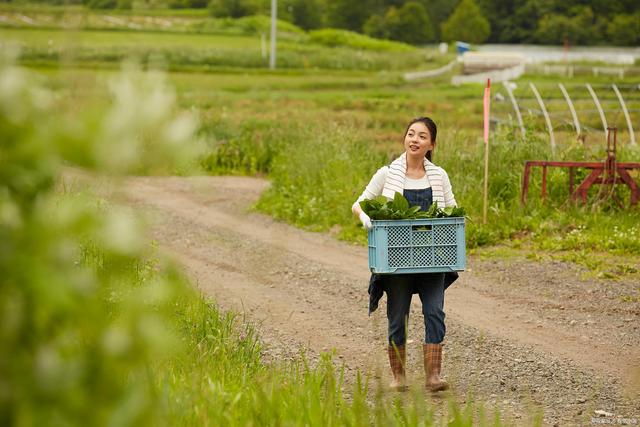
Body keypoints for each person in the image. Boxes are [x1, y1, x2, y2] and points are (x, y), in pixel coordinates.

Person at [351, 116, 457, 392]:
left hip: (432, 257)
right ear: (405, 139)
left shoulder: (439, 176)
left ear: (431, 144)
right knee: (397, 316)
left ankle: (433, 376)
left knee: (435, 312)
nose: (415, 140)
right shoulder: (387, 174)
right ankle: (398, 377)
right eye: (411, 134)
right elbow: (358, 204)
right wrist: (364, 217)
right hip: (397, 259)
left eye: (422, 136)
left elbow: (451, 211)